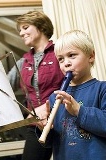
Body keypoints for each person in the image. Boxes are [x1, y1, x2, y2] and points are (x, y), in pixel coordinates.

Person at [36, 30, 106, 160]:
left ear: (91, 56)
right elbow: (51, 142)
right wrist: (44, 128)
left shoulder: (104, 89)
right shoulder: (55, 98)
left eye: (72, 55)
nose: (66, 63)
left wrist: (79, 110)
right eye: (60, 59)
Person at [7, 11, 64, 160]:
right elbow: (2, 86)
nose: (21, 33)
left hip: (64, 121)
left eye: (25, 27)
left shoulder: (61, 52)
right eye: (20, 30)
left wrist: (48, 105)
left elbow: (74, 85)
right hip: (36, 125)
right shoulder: (23, 62)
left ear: (41, 26)